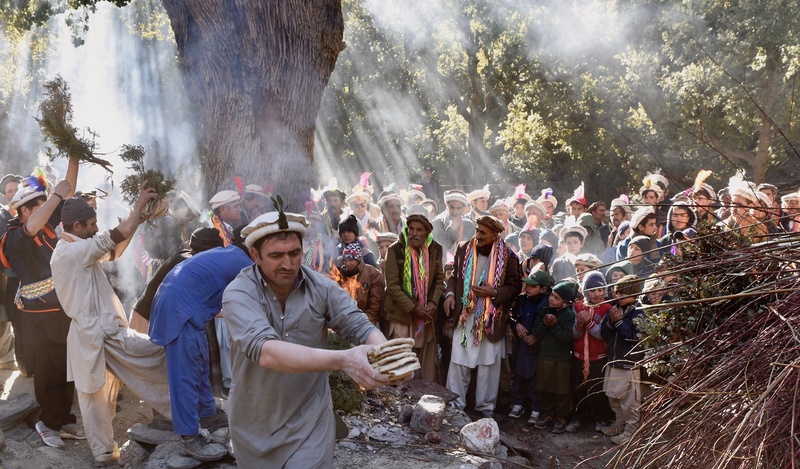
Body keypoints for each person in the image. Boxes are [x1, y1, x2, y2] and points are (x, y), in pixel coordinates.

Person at [221, 210, 393, 467]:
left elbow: (360, 326)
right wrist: (345, 359)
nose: (288, 264)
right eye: (276, 255)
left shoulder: (321, 287)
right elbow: (265, 351)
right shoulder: (238, 293)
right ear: (255, 255)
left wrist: (387, 357)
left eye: (294, 253)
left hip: (309, 422)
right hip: (253, 424)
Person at [50, 191, 173, 467]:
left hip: (103, 331)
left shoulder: (80, 247)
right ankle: (104, 453)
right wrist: (139, 206)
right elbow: (112, 238)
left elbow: (114, 251)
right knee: (96, 396)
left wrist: (138, 220)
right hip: (95, 333)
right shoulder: (71, 251)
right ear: (77, 227)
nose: (95, 228)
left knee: (154, 357)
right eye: (91, 223)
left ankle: (177, 413)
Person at [148, 234, 253, 461]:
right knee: (185, 375)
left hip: (180, 302)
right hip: (180, 308)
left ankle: (208, 414)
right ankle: (188, 437)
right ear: (254, 249)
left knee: (200, 363)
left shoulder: (232, 254)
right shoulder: (246, 264)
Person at [0, 161, 81, 449]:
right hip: (36, 315)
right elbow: (37, 222)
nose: (47, 209)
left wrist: (75, 156)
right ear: (24, 211)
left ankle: (63, 418)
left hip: (62, 307)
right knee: (48, 369)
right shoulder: (13, 237)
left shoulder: (44, 223)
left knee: (67, 365)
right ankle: (46, 422)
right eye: (39, 205)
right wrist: (55, 196)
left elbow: (67, 192)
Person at [444, 215, 521, 417]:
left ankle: (486, 409)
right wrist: (451, 295)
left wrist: (494, 293)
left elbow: (515, 287)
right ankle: (455, 406)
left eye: (483, 233)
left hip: (491, 319)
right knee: (459, 361)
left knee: (488, 364)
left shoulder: (509, 256)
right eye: (477, 230)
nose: (477, 235)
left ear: (495, 235)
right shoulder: (463, 249)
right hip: (465, 315)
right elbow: (454, 278)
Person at [382, 214, 444, 383]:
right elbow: (392, 286)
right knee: (400, 360)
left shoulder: (435, 249)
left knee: (425, 363)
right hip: (401, 313)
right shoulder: (395, 250)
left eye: (419, 230)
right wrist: (414, 308)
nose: (414, 233)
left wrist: (432, 302)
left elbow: (439, 280)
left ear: (426, 233)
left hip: (426, 314)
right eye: (411, 229)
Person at [600, 274, 645, 445]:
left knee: (629, 402)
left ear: (633, 294)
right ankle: (619, 424)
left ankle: (631, 432)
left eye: (622, 293)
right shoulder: (614, 308)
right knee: (613, 396)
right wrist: (612, 322)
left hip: (629, 362)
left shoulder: (640, 311)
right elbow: (604, 332)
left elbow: (635, 337)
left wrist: (618, 321)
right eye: (616, 292)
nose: (617, 296)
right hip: (614, 359)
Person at [566, 271, 614, 434]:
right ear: (585, 290)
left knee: (598, 389)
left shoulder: (608, 307)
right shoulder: (578, 306)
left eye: (600, 290)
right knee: (579, 388)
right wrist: (579, 325)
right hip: (579, 356)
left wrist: (588, 322)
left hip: (598, 357)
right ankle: (578, 417)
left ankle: (600, 418)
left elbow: (601, 335)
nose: (597, 294)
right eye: (592, 290)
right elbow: (574, 335)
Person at [531, 280, 578, 434]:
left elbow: (566, 338)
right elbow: (536, 333)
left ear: (564, 303)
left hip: (561, 358)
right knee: (543, 386)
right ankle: (547, 414)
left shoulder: (569, 315)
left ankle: (562, 417)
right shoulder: (543, 310)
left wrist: (555, 325)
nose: (551, 299)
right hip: (545, 355)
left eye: (556, 298)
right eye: (551, 295)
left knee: (561, 389)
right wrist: (545, 324)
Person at [507, 268, 551, 424]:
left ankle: (536, 408)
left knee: (535, 378)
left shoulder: (548, 303)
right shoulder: (522, 300)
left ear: (543, 289)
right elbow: (511, 316)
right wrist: (517, 324)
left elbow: (548, 324)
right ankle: (518, 404)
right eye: (527, 285)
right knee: (519, 374)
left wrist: (537, 336)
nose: (528, 289)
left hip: (537, 348)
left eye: (533, 286)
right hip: (522, 345)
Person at [333, 242, 385, 326]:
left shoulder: (372, 274)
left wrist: (365, 323)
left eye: (351, 260)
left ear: (358, 260)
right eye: (345, 260)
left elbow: (375, 304)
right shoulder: (339, 274)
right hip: (345, 320)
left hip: (368, 321)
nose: (347, 263)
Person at [432, 190, 476, 262]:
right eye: (452, 207)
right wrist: (451, 229)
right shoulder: (437, 224)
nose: (455, 212)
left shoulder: (469, 225)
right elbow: (440, 250)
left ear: (464, 208)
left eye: (459, 208)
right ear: (447, 206)